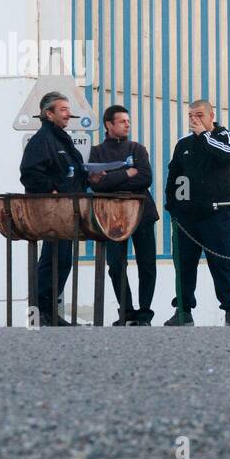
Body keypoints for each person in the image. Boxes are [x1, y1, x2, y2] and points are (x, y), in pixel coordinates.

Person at [163, 99, 230, 326]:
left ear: (211, 116)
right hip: (186, 217)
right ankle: (183, 310)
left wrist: (205, 136)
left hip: (216, 215)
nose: (194, 119)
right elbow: (175, 176)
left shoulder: (225, 137)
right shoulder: (183, 144)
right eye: (190, 116)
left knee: (221, 264)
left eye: (199, 115)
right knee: (184, 265)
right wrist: (174, 207)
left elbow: (227, 155)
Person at [88, 105, 159, 326]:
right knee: (116, 265)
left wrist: (111, 177)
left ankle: (145, 313)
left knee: (147, 264)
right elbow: (97, 185)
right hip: (112, 216)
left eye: (128, 121)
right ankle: (126, 313)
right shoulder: (96, 152)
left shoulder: (138, 149)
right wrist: (127, 173)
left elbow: (146, 178)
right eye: (122, 121)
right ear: (109, 125)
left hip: (142, 213)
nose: (127, 124)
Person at [19, 91, 85, 327]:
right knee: (52, 260)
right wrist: (52, 191)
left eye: (68, 109)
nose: (68, 114)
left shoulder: (61, 139)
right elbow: (29, 173)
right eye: (63, 110)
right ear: (49, 114)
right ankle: (39, 313)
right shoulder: (42, 140)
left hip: (67, 212)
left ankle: (49, 311)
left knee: (63, 260)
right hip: (51, 213)